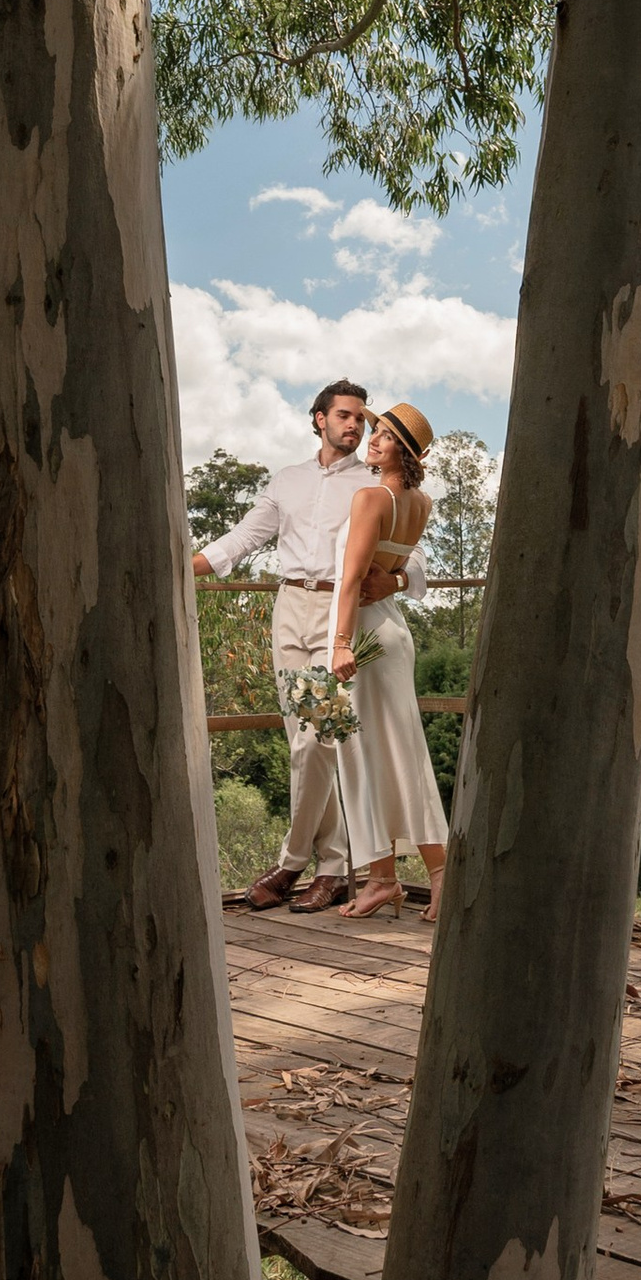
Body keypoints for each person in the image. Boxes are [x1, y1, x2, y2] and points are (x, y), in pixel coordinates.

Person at [193, 379, 404, 911]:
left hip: (339, 615)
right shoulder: (287, 480)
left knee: (319, 742)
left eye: (361, 418)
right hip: (289, 612)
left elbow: (410, 553)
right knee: (303, 744)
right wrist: (182, 565)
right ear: (319, 419)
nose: (355, 426)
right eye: (344, 416)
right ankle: (331, 867)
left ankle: (292, 864)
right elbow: (243, 538)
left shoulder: (372, 486)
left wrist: (398, 582)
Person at [330, 401, 449, 923]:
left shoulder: (370, 496)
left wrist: (338, 643)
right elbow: (396, 569)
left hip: (363, 635)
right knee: (393, 749)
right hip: (392, 630)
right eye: (375, 431)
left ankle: (419, 875)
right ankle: (387, 878)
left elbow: (352, 578)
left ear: (401, 448)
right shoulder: (418, 501)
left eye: (381, 434)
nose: (372, 440)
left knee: (366, 753)